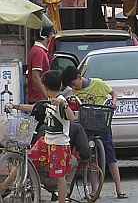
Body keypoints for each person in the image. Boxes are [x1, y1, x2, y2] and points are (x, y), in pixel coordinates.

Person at [2, 71, 76, 203]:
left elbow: (71, 117)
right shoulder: (49, 100)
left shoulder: (60, 100)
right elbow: (34, 108)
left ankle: (62, 201)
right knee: (25, 160)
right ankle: (4, 186)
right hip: (45, 141)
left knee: (60, 176)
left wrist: (63, 105)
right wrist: (15, 106)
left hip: (59, 145)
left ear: (45, 86)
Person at [61, 66, 127, 199]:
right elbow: (65, 100)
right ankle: (94, 190)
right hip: (86, 125)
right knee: (91, 159)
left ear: (79, 77)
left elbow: (113, 93)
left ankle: (119, 189)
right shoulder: (73, 91)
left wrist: (113, 102)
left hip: (102, 123)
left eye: (74, 84)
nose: (75, 87)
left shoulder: (98, 83)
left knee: (111, 157)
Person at [27, 25, 54, 104]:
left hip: (38, 97)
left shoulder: (37, 50)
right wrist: (46, 96)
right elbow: (35, 76)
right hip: (39, 99)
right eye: (52, 34)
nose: (52, 37)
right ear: (47, 36)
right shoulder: (39, 52)